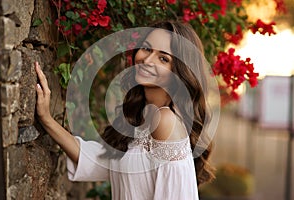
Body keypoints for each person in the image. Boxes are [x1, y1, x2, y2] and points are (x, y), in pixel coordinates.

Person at [35, 20, 215, 200]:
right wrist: (46, 119)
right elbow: (99, 161)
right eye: (146, 49)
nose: (147, 60)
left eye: (163, 58)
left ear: (179, 72)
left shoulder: (166, 121)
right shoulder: (144, 117)